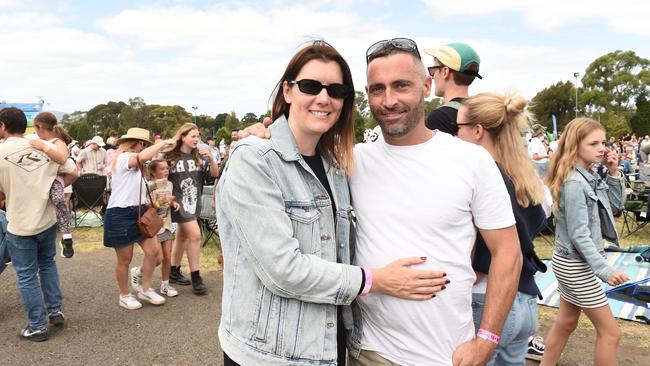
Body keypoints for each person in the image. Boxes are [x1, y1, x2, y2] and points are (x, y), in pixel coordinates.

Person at [241, 38, 522, 366]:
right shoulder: (348, 162)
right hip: (367, 352)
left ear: (427, 86)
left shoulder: (471, 161)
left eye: (401, 85)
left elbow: (508, 252)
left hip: (446, 355)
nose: (389, 100)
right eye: (378, 89)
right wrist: (261, 135)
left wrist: (486, 340)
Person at [217, 41, 446, 366]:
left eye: (336, 90)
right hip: (270, 354)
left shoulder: (336, 165)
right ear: (288, 91)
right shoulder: (255, 159)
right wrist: (375, 280)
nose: (323, 98)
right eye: (311, 86)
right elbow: (283, 270)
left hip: (330, 346)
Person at [455, 93, 549, 365]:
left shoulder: (484, 179)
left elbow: (482, 259)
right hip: (526, 301)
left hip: (489, 304)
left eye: (457, 128)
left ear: (477, 130)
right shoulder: (523, 177)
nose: (454, 135)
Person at [541, 118, 630, 366]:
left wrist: (613, 173)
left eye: (603, 142)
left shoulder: (589, 175)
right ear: (575, 145)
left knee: (567, 321)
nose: (602, 148)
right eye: (594, 143)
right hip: (574, 265)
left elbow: (614, 207)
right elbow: (580, 234)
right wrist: (604, 269)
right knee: (611, 332)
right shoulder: (574, 183)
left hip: (571, 262)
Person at [0, 107, 78, 341]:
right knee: (47, 264)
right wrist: (48, 189)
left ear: (2, 126)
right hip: (47, 221)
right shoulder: (43, 147)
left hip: (21, 222)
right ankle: (54, 310)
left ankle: (37, 325)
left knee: (26, 275)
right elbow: (73, 171)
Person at [103, 127, 175, 310]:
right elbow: (142, 158)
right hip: (120, 213)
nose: (143, 146)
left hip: (140, 212)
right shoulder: (125, 157)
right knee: (125, 259)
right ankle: (125, 295)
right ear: (134, 143)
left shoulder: (137, 163)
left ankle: (145, 288)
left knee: (155, 254)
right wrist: (162, 143)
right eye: (142, 143)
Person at [163, 123, 219, 294]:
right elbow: (159, 175)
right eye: (193, 136)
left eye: (198, 136)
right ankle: (196, 276)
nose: (196, 139)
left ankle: (173, 270)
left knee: (182, 237)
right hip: (178, 203)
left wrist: (211, 159)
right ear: (183, 137)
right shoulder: (170, 157)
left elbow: (215, 174)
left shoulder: (198, 158)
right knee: (195, 235)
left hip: (194, 202)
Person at [130, 159, 180, 298]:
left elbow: (170, 199)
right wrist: (160, 202)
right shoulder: (149, 186)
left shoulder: (169, 184)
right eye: (162, 169)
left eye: (167, 168)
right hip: (154, 227)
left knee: (167, 257)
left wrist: (173, 203)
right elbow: (146, 206)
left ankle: (165, 285)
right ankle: (139, 272)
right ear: (153, 171)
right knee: (157, 258)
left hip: (167, 224)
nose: (166, 171)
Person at [28, 112, 76, 258]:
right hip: (36, 179)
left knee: (59, 200)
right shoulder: (33, 140)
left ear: (38, 126)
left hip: (54, 179)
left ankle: (66, 236)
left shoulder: (57, 142)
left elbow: (62, 158)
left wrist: (43, 147)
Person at [423, 42, 481, 135]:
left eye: (433, 70)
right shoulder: (484, 113)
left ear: (445, 72)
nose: (433, 77)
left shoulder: (440, 118)